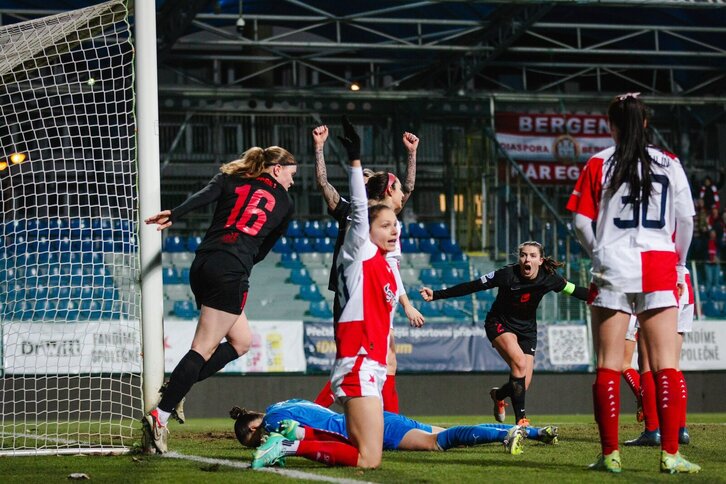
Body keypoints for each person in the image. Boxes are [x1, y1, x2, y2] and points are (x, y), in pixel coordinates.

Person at [251, 117, 398, 470]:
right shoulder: (359, 251)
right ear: (365, 230)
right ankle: (287, 447)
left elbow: (396, 197)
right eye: (386, 225)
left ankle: (295, 438)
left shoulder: (382, 260)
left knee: (368, 453)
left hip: (371, 365)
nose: (394, 230)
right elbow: (361, 209)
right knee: (367, 459)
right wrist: (356, 160)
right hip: (358, 364)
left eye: (395, 224)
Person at [567, 92, 700, 474]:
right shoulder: (670, 163)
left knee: (608, 365)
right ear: (645, 123)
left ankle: (610, 455)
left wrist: (598, 254)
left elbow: (580, 222)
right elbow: (687, 221)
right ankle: (671, 455)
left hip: (613, 265)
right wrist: (680, 262)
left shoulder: (599, 163)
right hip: (659, 265)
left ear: (611, 126)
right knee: (666, 366)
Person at [141, 146, 297, 454]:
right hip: (231, 270)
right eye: (292, 174)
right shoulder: (286, 202)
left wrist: (175, 213)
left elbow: (202, 197)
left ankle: (176, 389)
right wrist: (245, 259)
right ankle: (160, 416)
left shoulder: (231, 178)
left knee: (242, 341)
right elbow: (264, 247)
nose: (293, 181)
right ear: (277, 170)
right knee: (203, 347)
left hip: (203, 264)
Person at [311, 120, 424, 413]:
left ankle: (389, 422)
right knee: (355, 359)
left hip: (379, 291)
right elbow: (323, 184)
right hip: (354, 293)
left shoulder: (386, 216)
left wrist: (412, 154)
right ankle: (308, 416)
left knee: (385, 360)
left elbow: (407, 188)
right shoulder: (354, 213)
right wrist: (319, 149)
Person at [419, 241, 588, 427]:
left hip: (527, 330)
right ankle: (521, 422)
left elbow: (574, 290)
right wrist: (436, 294)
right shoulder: (507, 275)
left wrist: (600, 298)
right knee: (520, 363)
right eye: (523, 255)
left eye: (532, 256)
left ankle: (498, 395)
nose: (527, 259)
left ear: (540, 260)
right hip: (499, 323)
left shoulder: (550, 278)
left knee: (523, 384)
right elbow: (472, 286)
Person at [231, 399, 559, 468]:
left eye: (255, 439)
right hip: (373, 417)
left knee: (437, 443)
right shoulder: (280, 404)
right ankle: (531, 432)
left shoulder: (274, 422)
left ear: (257, 426)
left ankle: (506, 436)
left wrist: (278, 453)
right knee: (447, 433)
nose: (258, 442)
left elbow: (296, 435)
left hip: (362, 429)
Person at [624, 267, 694, 448]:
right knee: (673, 364)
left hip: (659, 282)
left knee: (646, 364)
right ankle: (680, 430)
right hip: (684, 284)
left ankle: (652, 431)